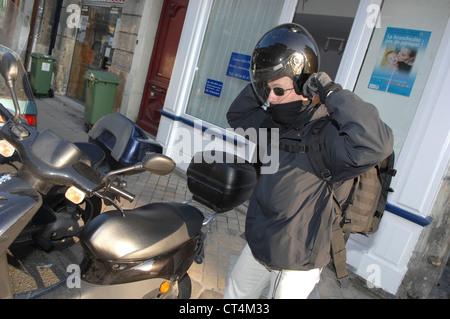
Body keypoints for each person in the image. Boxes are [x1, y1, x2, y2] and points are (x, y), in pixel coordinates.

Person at [224, 23, 393, 299]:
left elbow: (376, 142)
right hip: (260, 240)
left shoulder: (329, 134)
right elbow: (238, 117)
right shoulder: (273, 123)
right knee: (235, 293)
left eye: (278, 90)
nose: (269, 98)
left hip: (297, 258)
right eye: (265, 89)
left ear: (303, 85)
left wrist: (330, 91)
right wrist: (267, 76)